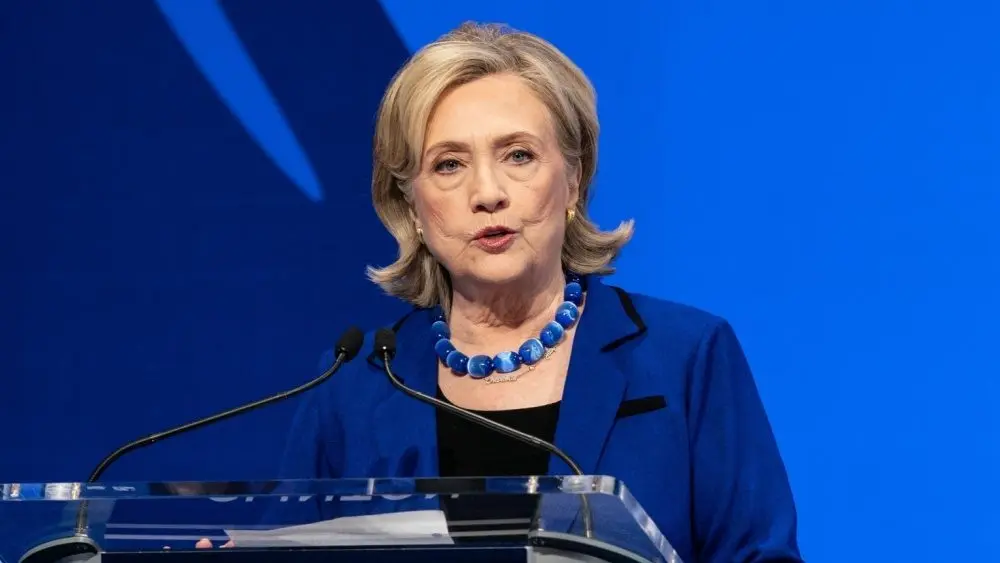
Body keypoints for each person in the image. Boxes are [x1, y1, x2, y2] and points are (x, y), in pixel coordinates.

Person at [202, 22, 802, 562]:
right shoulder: (356, 386)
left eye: (518, 155)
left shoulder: (684, 358)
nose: (487, 192)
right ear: (410, 204)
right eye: (448, 165)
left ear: (572, 179)